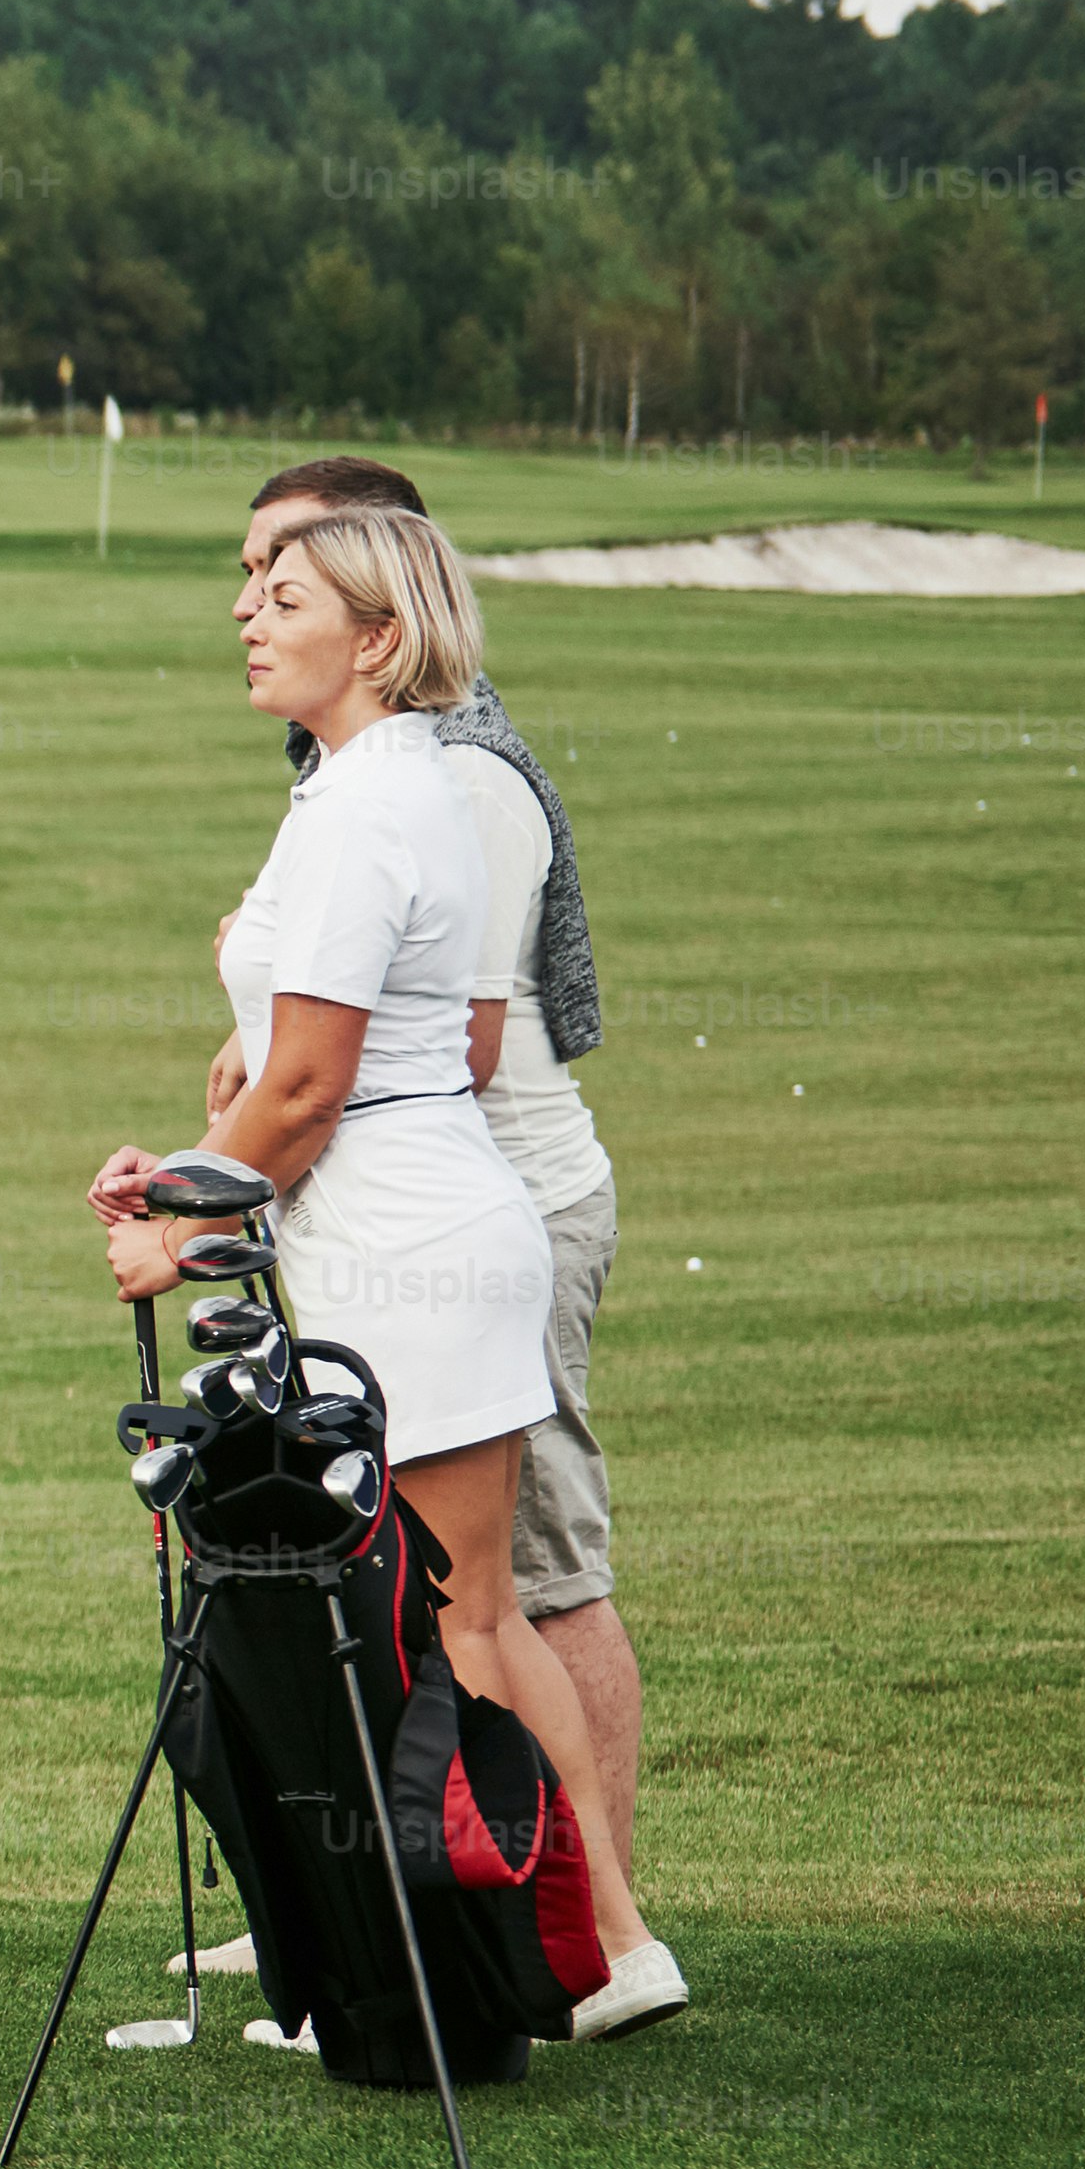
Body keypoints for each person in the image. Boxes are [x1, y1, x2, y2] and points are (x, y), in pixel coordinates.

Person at [86, 501, 690, 2035]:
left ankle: (563, 1946)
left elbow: (311, 1088)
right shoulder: (361, 786)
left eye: (282, 594)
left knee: (467, 1619)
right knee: (449, 1617)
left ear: (376, 635)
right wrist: (183, 1174)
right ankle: (535, 1945)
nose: (247, 613)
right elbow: (293, 1080)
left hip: (412, 1237)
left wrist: (185, 1230)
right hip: (393, 1226)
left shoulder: (371, 807)